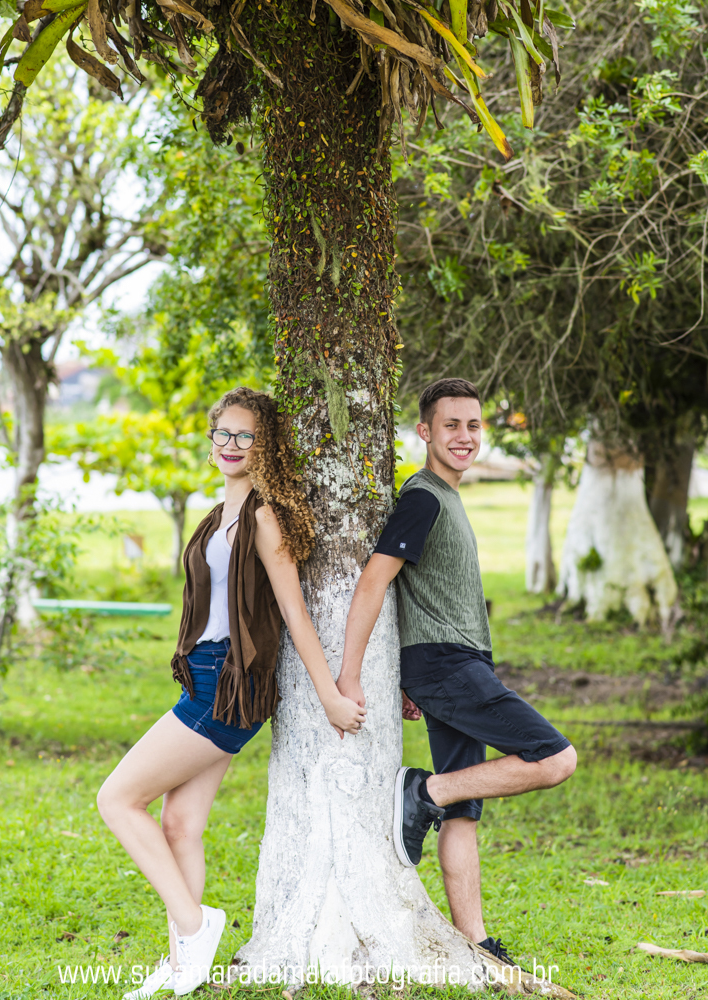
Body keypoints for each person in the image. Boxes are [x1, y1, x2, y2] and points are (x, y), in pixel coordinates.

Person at [97, 387, 366, 1000]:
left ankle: (196, 927)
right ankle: (182, 963)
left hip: (228, 684)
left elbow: (294, 613)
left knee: (117, 799)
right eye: (223, 433)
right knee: (180, 824)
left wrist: (329, 695)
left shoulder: (264, 518)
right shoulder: (217, 516)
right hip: (205, 675)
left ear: (265, 445)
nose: (231, 445)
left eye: (246, 435)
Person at [336, 377, 576, 965]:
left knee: (463, 813)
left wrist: (405, 675)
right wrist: (351, 674)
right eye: (451, 425)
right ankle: (422, 792)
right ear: (425, 431)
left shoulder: (447, 495)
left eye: (473, 425)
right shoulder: (423, 497)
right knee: (555, 758)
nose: (464, 436)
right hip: (447, 666)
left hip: (449, 667)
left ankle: (476, 945)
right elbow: (374, 581)